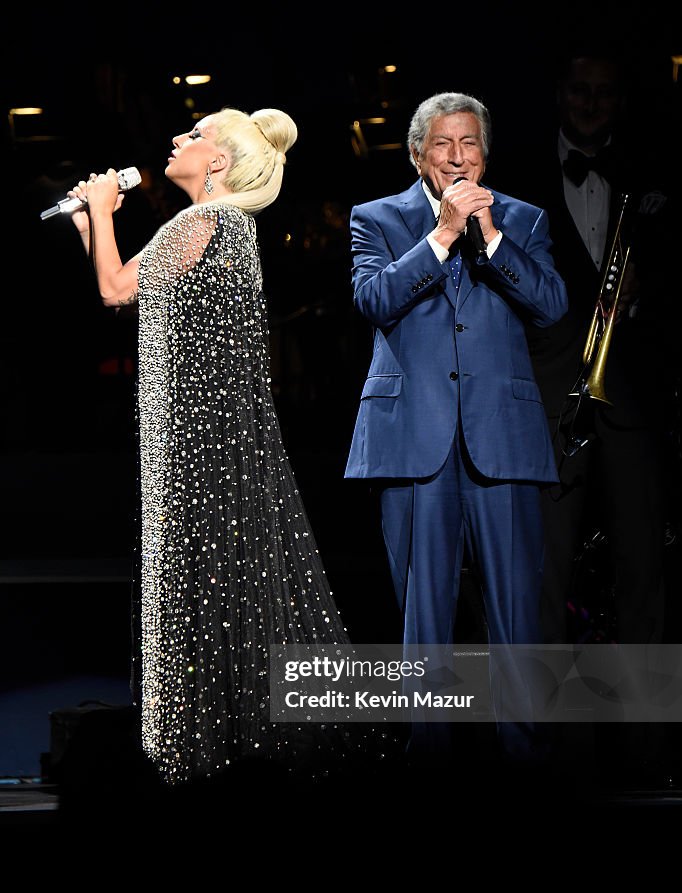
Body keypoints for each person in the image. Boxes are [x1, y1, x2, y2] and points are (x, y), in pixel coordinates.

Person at [67, 107, 368, 786]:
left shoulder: (201, 221)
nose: (177, 139)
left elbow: (117, 287)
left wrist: (104, 214)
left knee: (203, 588)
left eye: (195, 135)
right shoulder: (223, 226)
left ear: (219, 163)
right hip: (216, 441)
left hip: (199, 446)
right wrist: (93, 221)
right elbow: (123, 295)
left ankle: (203, 754)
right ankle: (235, 746)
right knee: (229, 583)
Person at [345, 92, 568, 764]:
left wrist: (491, 237)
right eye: (442, 144)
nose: (456, 156)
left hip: (502, 441)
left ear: (485, 153)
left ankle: (525, 763)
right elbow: (374, 299)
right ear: (418, 154)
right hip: (415, 441)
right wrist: (442, 234)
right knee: (423, 623)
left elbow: (551, 306)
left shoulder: (523, 220)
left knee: (517, 621)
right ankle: (430, 762)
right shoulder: (376, 218)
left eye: (468, 143)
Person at [519, 53, 669, 647]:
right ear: (560, 93)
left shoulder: (651, 171)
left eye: (603, 93)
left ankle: (646, 726)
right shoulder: (519, 177)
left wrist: (646, 287)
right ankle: (541, 723)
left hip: (632, 400)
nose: (590, 103)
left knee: (643, 565)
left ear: (620, 102)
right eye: (579, 89)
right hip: (550, 401)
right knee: (544, 568)